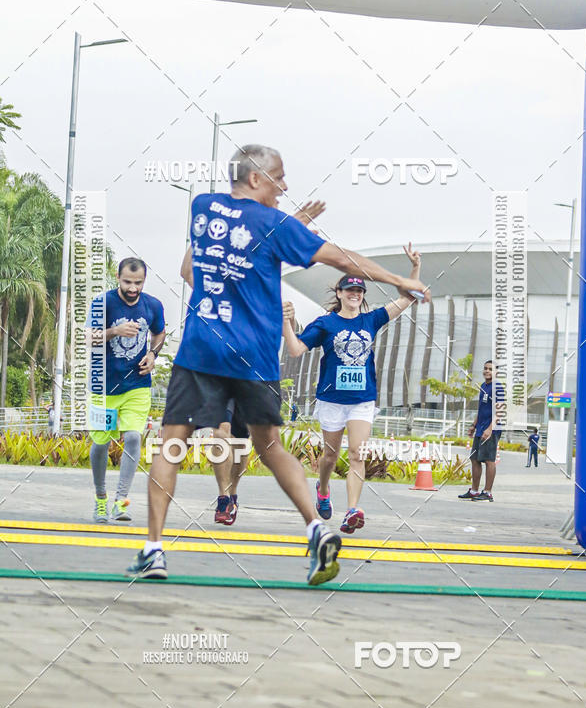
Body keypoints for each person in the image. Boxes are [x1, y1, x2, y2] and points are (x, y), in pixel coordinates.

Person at [127, 144, 429, 582]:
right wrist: (401, 279)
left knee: (172, 445)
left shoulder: (202, 206)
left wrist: (291, 226)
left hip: (202, 351)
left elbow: (191, 270)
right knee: (270, 448)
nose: (285, 186)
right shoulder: (273, 224)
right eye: (279, 177)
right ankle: (316, 529)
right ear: (255, 178)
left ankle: (154, 549)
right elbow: (342, 259)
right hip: (254, 356)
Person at [179, 201, 325, 527]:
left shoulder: (266, 288)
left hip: (255, 373)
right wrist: (199, 238)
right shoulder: (215, 282)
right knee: (221, 430)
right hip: (218, 367)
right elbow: (187, 272)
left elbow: (292, 337)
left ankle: (232, 491)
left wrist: (288, 318)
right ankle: (221, 494)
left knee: (244, 442)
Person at [282, 244, 422, 533]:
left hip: (362, 400)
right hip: (332, 400)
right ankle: (322, 489)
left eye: (359, 291)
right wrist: (286, 323)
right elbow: (296, 349)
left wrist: (415, 268)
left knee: (358, 453)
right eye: (349, 290)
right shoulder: (325, 323)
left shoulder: (372, 319)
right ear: (339, 294)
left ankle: (352, 510)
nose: (355, 295)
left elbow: (409, 297)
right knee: (330, 457)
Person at [86, 258, 165, 524]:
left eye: (138, 283)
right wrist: (114, 331)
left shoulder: (153, 305)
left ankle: (121, 501)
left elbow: (160, 333)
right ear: (118, 278)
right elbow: (86, 337)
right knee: (101, 443)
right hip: (103, 385)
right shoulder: (103, 303)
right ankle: (100, 500)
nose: (133, 288)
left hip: (137, 384)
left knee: (133, 437)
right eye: (127, 282)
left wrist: (153, 353)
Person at [459, 360, 505, 502]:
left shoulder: (497, 387)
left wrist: (490, 429)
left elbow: (500, 409)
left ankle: (488, 492)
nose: (487, 371)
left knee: (489, 460)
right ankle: (474, 490)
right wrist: (474, 425)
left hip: (492, 429)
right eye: (485, 368)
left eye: (490, 369)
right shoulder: (484, 386)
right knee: (474, 459)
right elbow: (481, 409)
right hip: (481, 428)